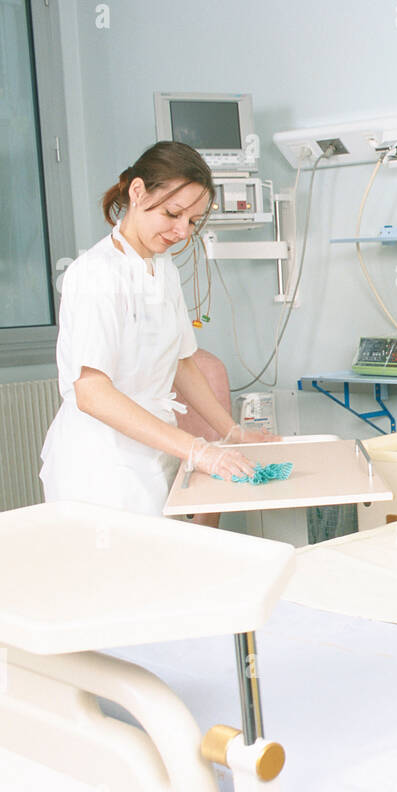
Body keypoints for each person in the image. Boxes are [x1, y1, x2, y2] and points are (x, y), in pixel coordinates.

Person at [41, 141, 275, 516]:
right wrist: (196, 449)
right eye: (172, 213)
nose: (182, 231)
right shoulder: (95, 274)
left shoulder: (161, 268)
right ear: (137, 192)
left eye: (193, 221)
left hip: (156, 450)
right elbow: (91, 392)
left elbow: (182, 363)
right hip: (101, 465)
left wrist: (230, 432)